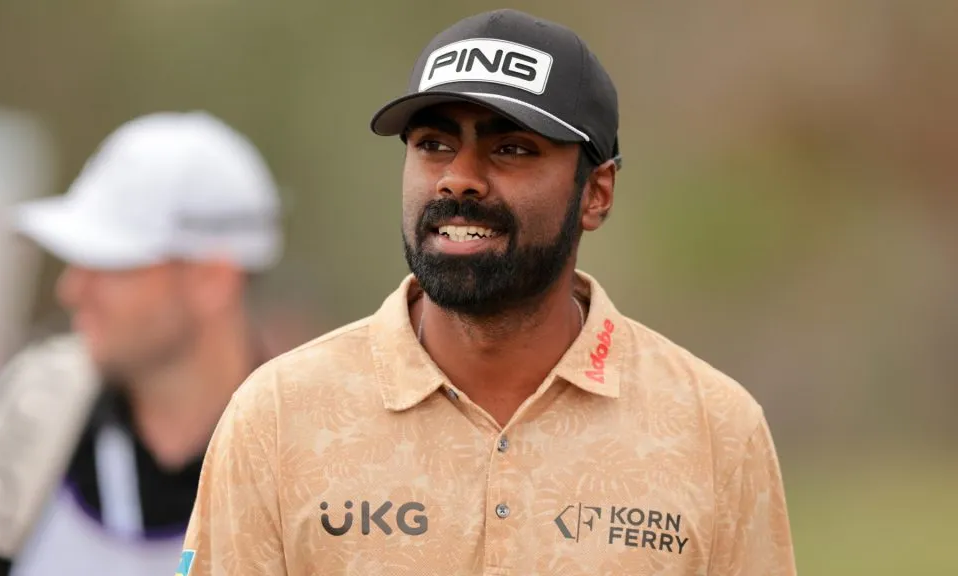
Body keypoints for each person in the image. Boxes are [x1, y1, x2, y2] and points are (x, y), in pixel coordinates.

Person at [180, 9, 797, 576]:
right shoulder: (278, 416)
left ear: (596, 193)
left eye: (511, 148)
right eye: (434, 145)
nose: (459, 179)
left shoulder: (715, 431)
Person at [0, 110, 285, 576]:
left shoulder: (319, 463)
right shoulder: (15, 419)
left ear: (212, 280)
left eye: (109, 263)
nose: (71, 290)